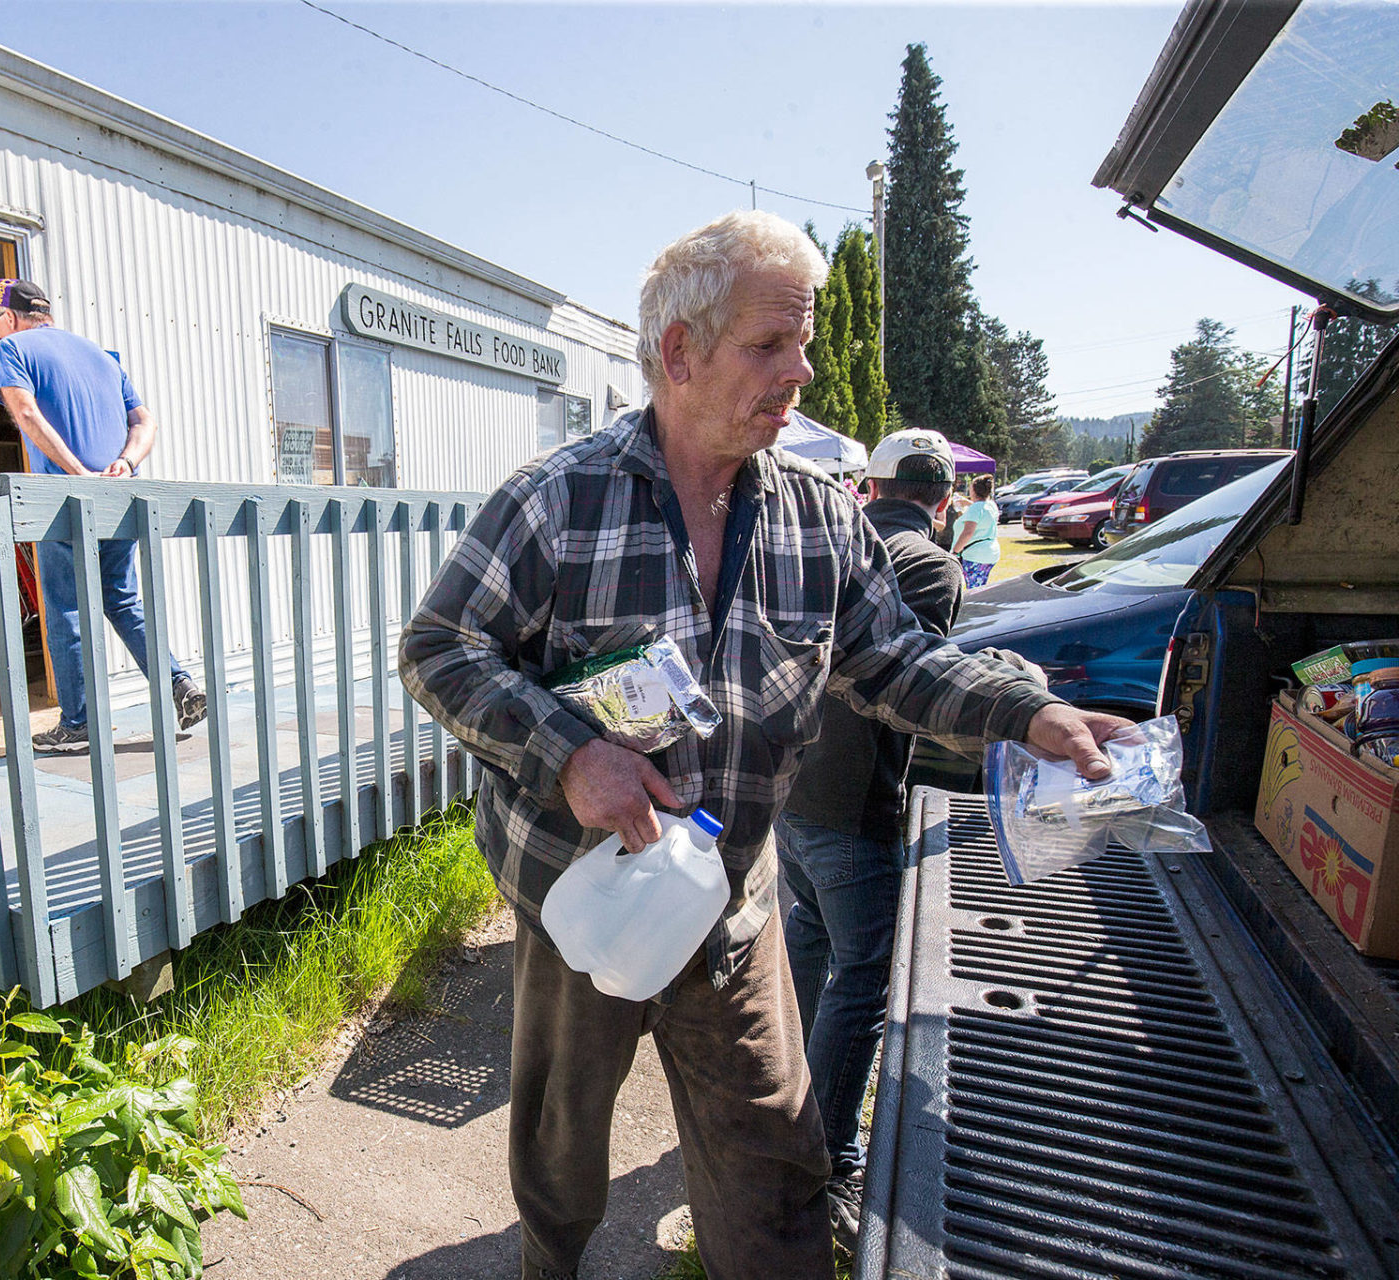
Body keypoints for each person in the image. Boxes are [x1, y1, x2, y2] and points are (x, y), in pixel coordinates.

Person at [398, 211, 1130, 1280]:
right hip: (579, 894)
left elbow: (891, 658)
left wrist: (1025, 713)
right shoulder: (556, 498)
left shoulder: (822, 518)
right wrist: (568, 752)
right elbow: (438, 646)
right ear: (680, 352)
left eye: (804, 344)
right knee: (562, 1146)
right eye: (767, 345)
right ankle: (549, 1259)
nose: (801, 371)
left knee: (777, 1168)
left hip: (733, 900)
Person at [775, 427, 965, 1255]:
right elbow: (905, 681)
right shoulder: (931, 565)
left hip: (789, 789)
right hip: (853, 804)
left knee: (809, 941)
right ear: (944, 499)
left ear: (873, 486)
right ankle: (827, 1158)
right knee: (864, 976)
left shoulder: (829, 539)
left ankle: (777, 1104)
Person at [0, 277, 207, 749]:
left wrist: (76, 470)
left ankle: (79, 723)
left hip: (66, 501)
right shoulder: (103, 358)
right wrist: (126, 462)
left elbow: (25, 413)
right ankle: (179, 683)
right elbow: (145, 420)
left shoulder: (13, 350)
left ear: (10, 318)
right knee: (121, 600)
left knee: (66, 606)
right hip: (120, 496)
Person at [952, 473, 1001, 589]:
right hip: (990, 552)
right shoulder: (991, 505)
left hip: (976, 554)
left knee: (973, 589)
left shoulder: (975, 509)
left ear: (973, 490)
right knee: (980, 586)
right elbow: (981, 508)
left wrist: (955, 552)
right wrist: (968, 503)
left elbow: (968, 532)